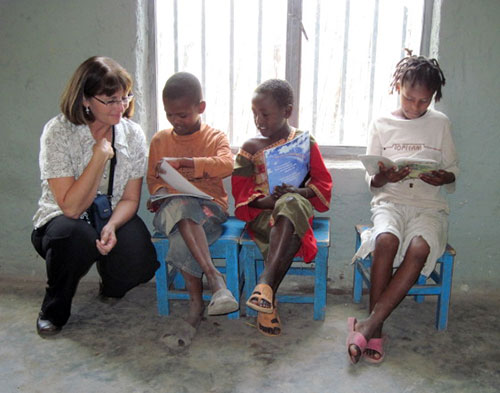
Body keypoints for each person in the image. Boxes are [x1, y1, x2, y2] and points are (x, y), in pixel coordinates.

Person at [31, 56, 159, 337]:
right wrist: (99, 156)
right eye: (110, 100)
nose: (121, 107)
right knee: (73, 236)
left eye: (125, 97)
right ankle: (53, 310)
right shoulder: (59, 131)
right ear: (85, 99)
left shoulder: (132, 133)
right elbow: (71, 207)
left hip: (107, 215)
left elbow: (130, 199)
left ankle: (111, 284)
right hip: (61, 221)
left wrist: (111, 226)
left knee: (142, 260)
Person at [348, 51, 459, 364]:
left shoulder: (440, 124)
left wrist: (443, 177)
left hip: (428, 206)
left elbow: (453, 168)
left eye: (424, 101)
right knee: (386, 240)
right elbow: (371, 177)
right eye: (410, 98)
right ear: (398, 87)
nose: (416, 107)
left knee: (420, 248)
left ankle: (369, 325)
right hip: (390, 202)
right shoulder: (382, 123)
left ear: (433, 98)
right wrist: (383, 176)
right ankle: (377, 331)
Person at [232, 79, 332, 337]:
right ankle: (267, 291)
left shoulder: (305, 142)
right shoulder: (249, 149)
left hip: (295, 209)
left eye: (265, 114)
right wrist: (272, 200)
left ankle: (265, 287)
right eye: (254, 113)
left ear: (287, 111)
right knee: (288, 212)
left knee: (291, 203)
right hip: (264, 216)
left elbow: (322, 184)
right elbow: (242, 194)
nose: (258, 120)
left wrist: (296, 192)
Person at [147, 72, 238, 348]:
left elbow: (226, 165)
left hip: (209, 209)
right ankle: (214, 278)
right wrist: (158, 194)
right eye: (170, 115)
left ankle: (195, 308)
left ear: (201, 108)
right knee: (179, 205)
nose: (176, 121)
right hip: (169, 209)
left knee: (183, 222)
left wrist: (185, 163)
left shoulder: (214, 137)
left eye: (183, 115)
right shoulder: (160, 140)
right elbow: (153, 179)